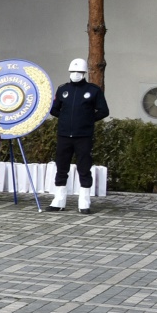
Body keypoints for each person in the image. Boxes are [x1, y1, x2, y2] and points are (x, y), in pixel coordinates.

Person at [49, 57, 109, 212]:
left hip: (83, 136)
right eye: (73, 71)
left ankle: (84, 201)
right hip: (64, 135)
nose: (75, 74)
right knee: (61, 166)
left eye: (79, 72)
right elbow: (54, 109)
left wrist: (88, 120)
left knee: (84, 166)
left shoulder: (93, 90)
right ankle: (59, 200)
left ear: (84, 73)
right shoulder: (63, 89)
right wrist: (64, 118)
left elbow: (104, 111)